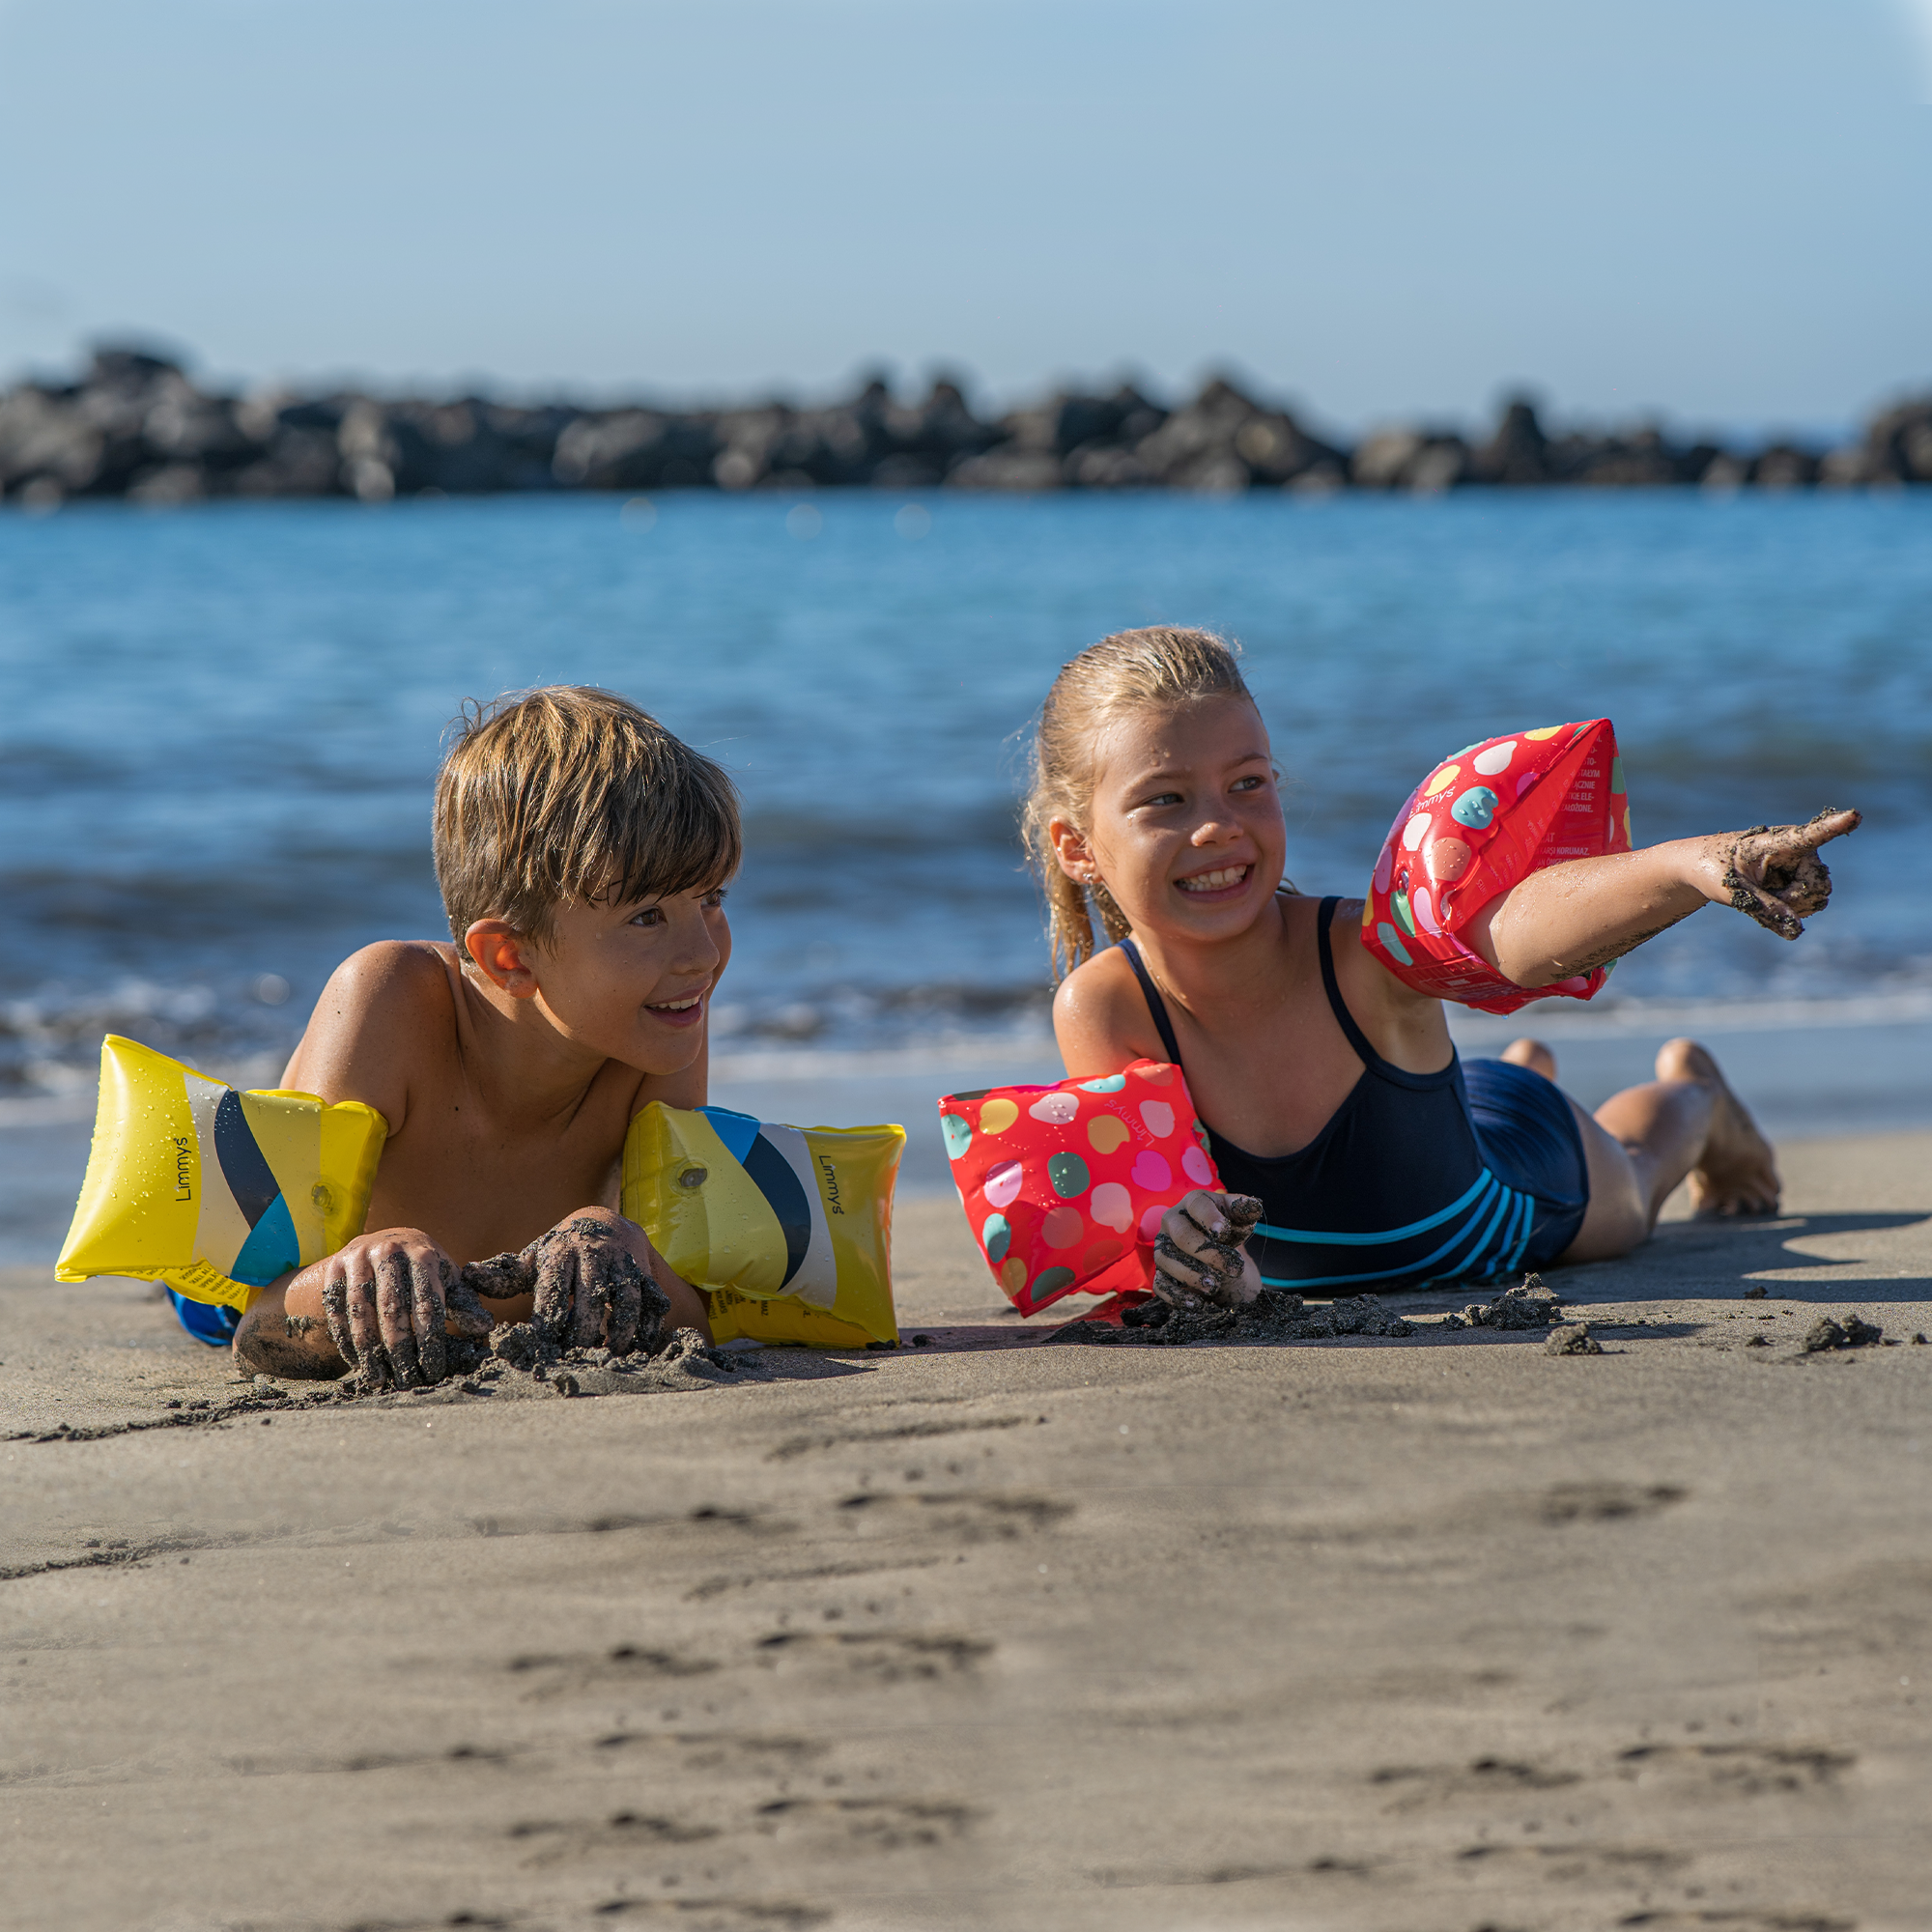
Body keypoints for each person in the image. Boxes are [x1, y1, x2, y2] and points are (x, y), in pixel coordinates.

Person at [1024, 627, 1860, 1309]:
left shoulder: (1360, 951)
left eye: (1248, 783)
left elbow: (1513, 937)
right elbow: (1162, 1221)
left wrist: (1695, 865)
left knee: (1635, 1186)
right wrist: (1196, 1269)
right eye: (1165, 799)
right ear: (1077, 846)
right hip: (1447, 1110)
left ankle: (1700, 1099)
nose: (1217, 827)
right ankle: (1518, 1069)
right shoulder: (1106, 1008)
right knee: (1483, 1085)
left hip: (1502, 1206)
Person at [223, 686, 733, 1380]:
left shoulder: (656, 1029)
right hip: (262, 1273)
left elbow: (695, 1314)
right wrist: (358, 1270)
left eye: (711, 899)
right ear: (510, 956)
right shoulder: (390, 1000)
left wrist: (626, 1248)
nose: (703, 955)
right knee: (211, 1271)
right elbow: (259, 1323)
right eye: (648, 917)